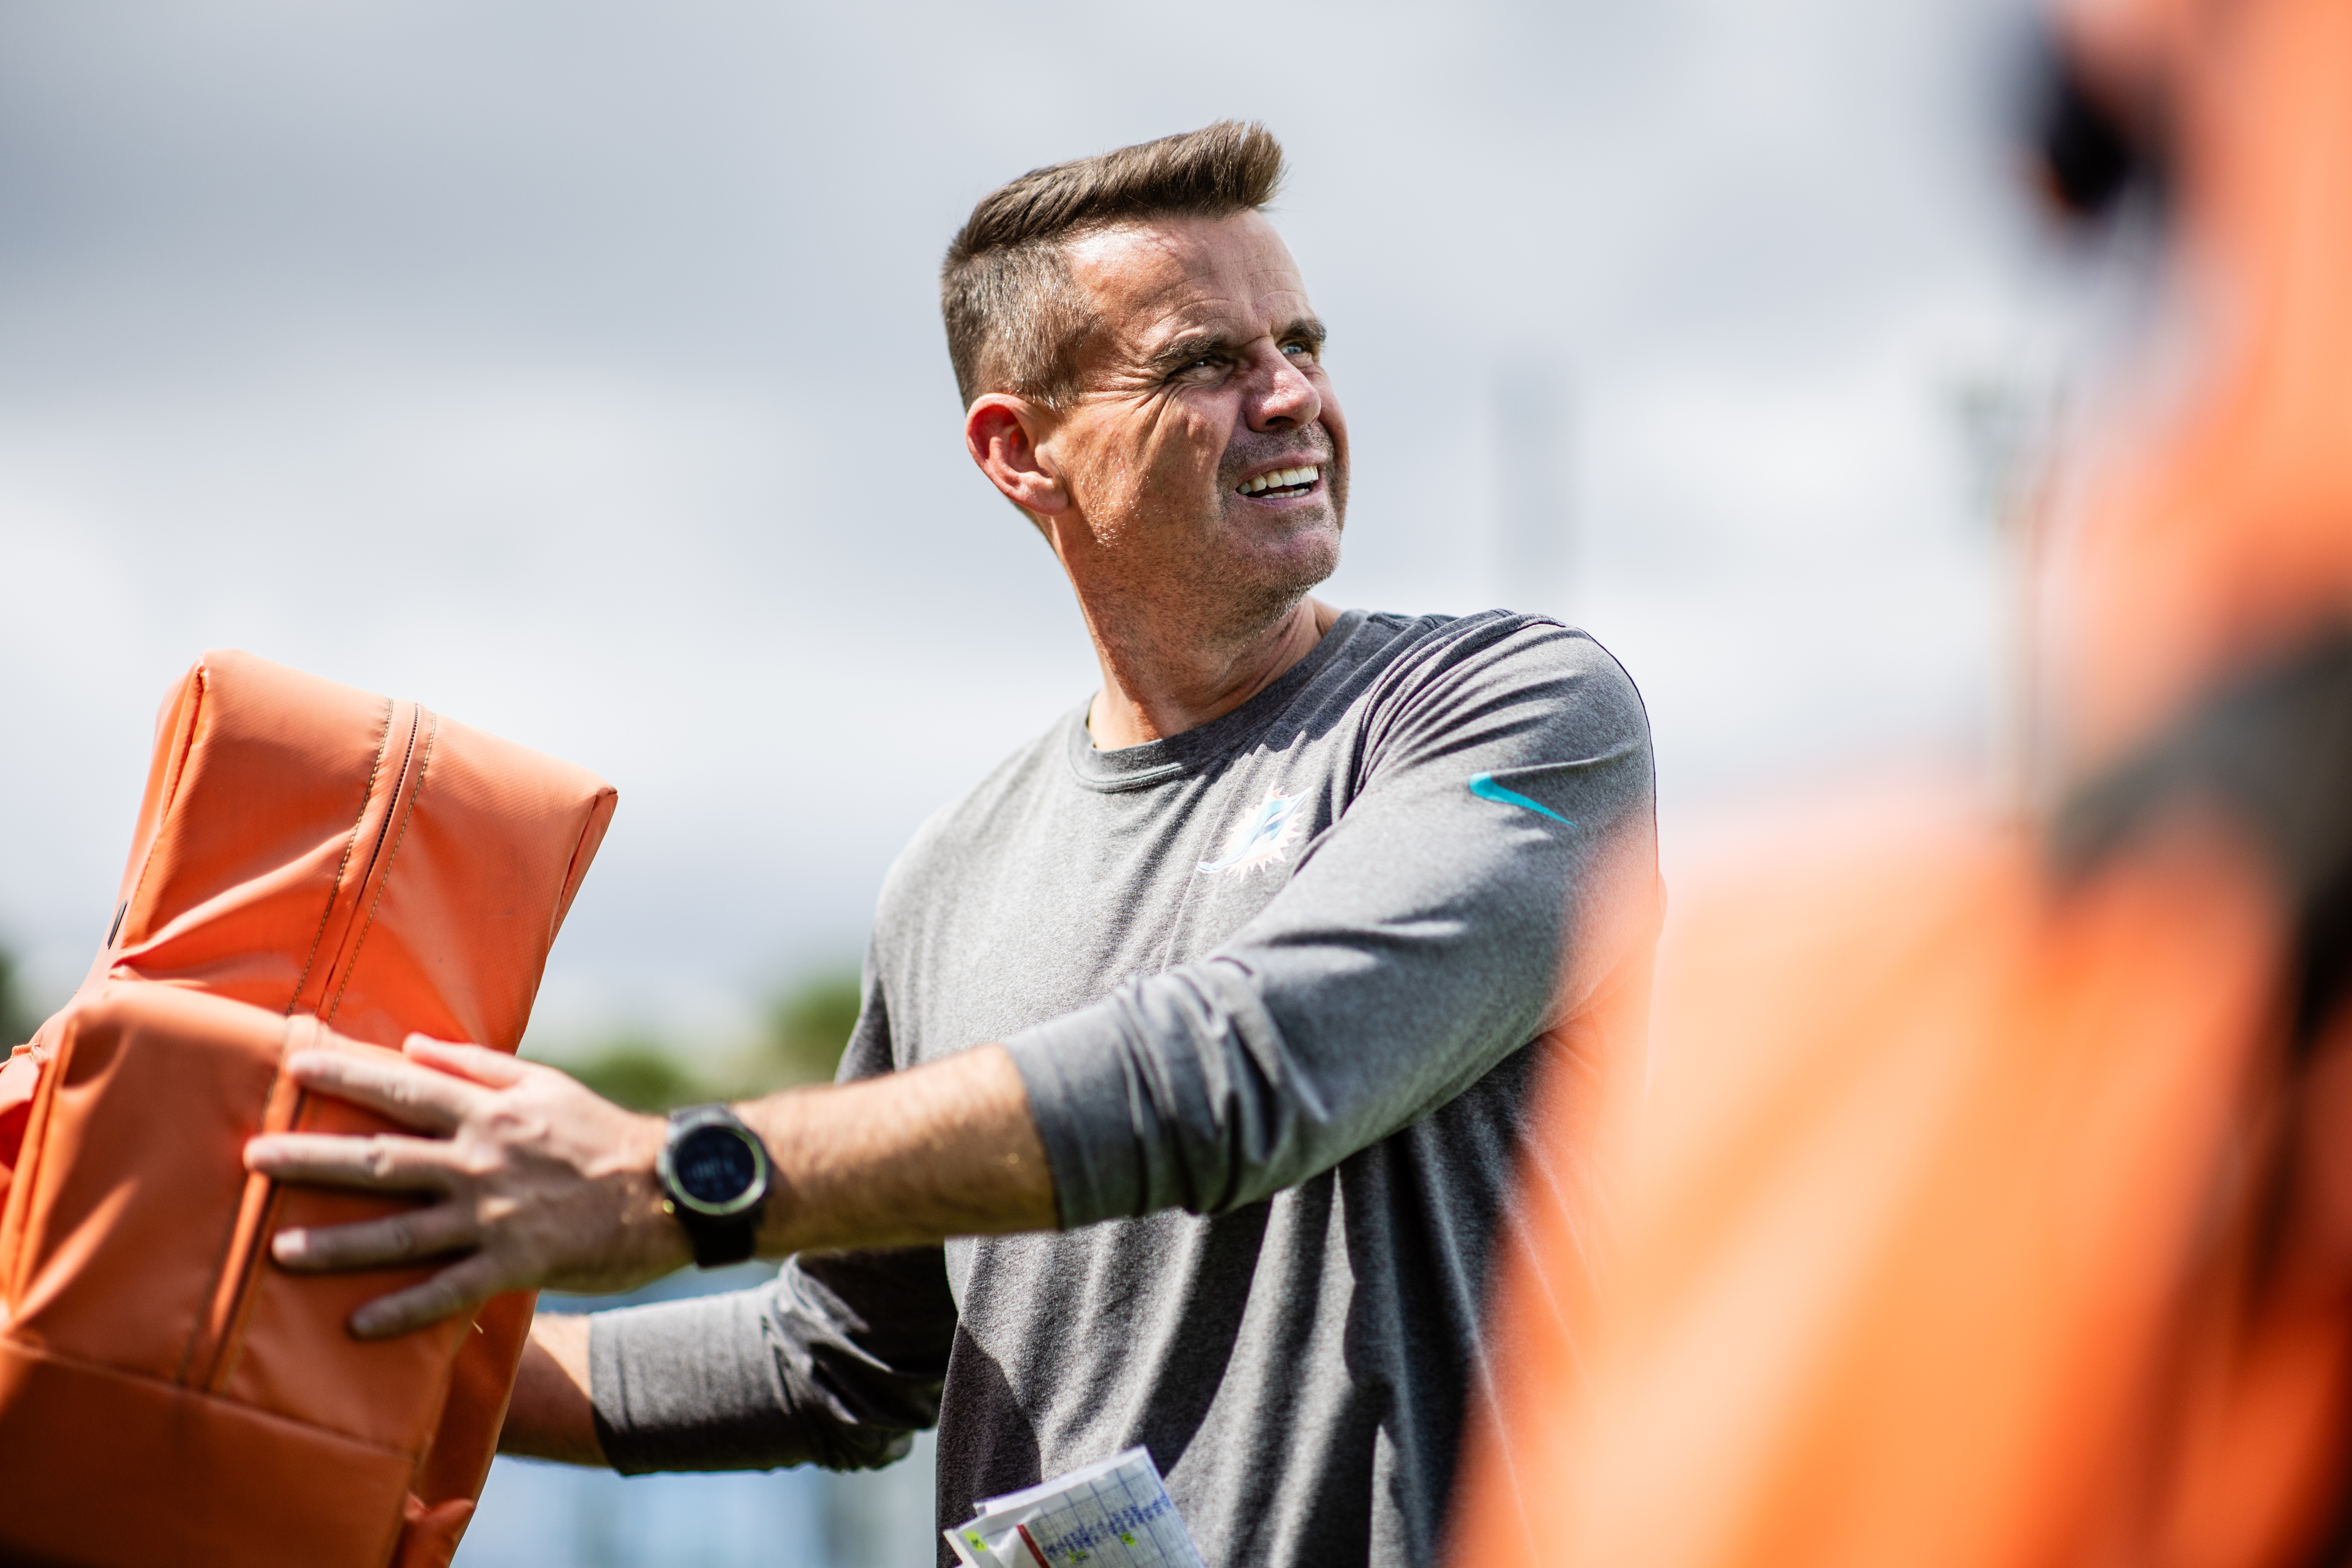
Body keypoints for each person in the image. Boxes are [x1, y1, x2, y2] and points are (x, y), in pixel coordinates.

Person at [244, 120, 1661, 1566]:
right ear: (1017, 450)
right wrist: (324, 1343)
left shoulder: (1513, 714)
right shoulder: (953, 876)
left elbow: (1259, 1067)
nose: (1292, 396)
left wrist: (665, 1177)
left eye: (1300, 342)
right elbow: (837, 1358)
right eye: (1204, 363)